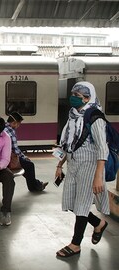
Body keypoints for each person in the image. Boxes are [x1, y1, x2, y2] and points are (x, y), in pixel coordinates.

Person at [55, 81, 109, 258]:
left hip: (89, 165)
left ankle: (75, 244)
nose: (73, 98)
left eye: (77, 96)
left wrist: (98, 176)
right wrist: (59, 164)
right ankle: (98, 223)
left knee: (82, 204)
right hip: (73, 164)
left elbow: (103, 148)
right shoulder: (73, 115)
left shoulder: (95, 117)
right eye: (72, 94)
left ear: (88, 98)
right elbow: (69, 144)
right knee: (71, 202)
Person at [4, 112, 48, 192]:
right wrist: (24, 156)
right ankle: (34, 187)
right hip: (8, 159)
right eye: (18, 124)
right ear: (14, 123)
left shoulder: (3, 127)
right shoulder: (10, 131)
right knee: (29, 165)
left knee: (25, 166)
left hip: (2, 157)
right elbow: (15, 149)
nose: (18, 126)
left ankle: (37, 185)